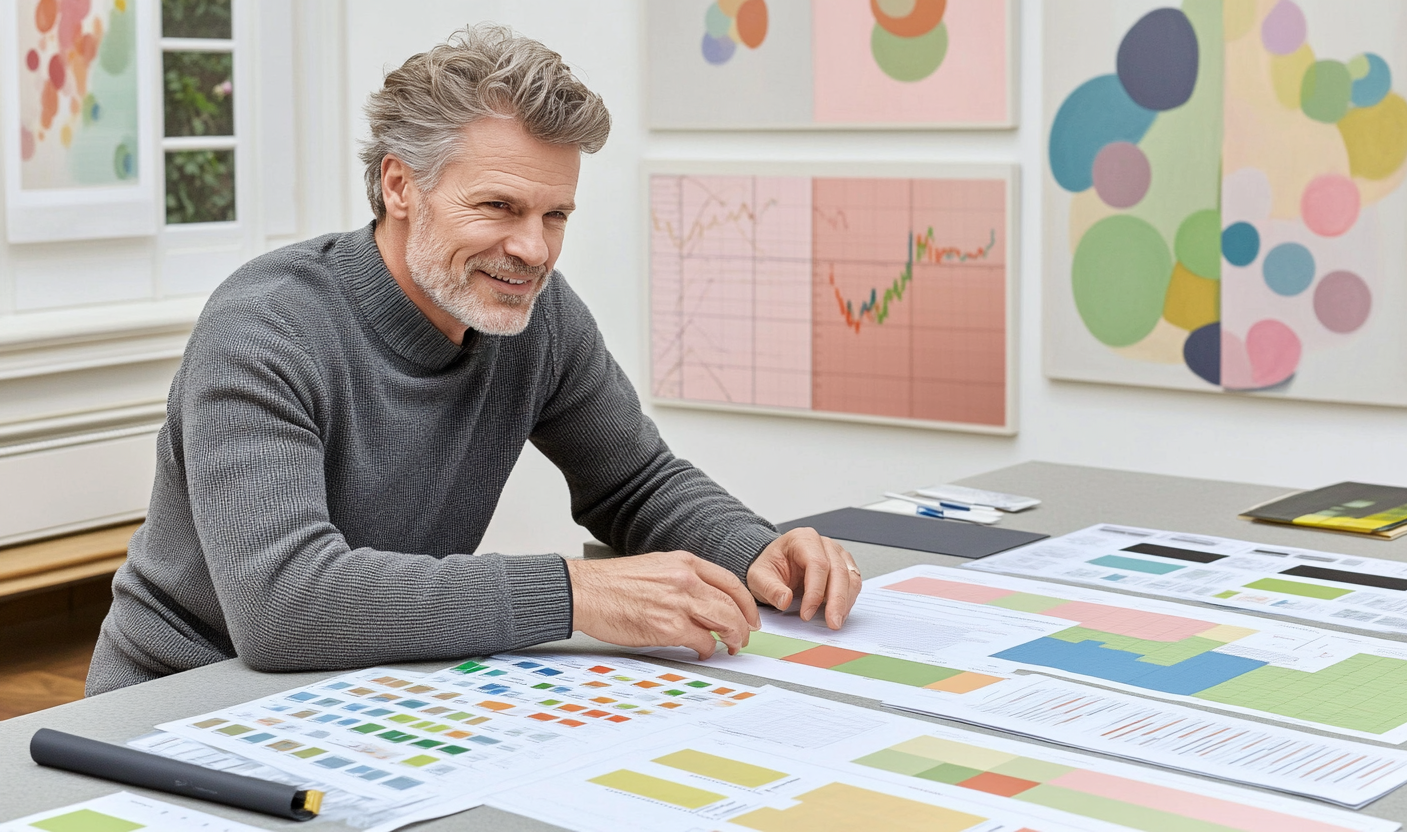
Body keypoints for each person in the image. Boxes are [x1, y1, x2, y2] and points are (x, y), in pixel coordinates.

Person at [85, 25, 862, 695]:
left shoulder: (537, 318)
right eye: (499, 207)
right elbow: (286, 604)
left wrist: (754, 548)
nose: (533, 249)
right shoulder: (264, 329)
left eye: (555, 214)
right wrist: (575, 593)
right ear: (400, 185)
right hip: (177, 703)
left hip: (366, 690)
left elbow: (634, 481)